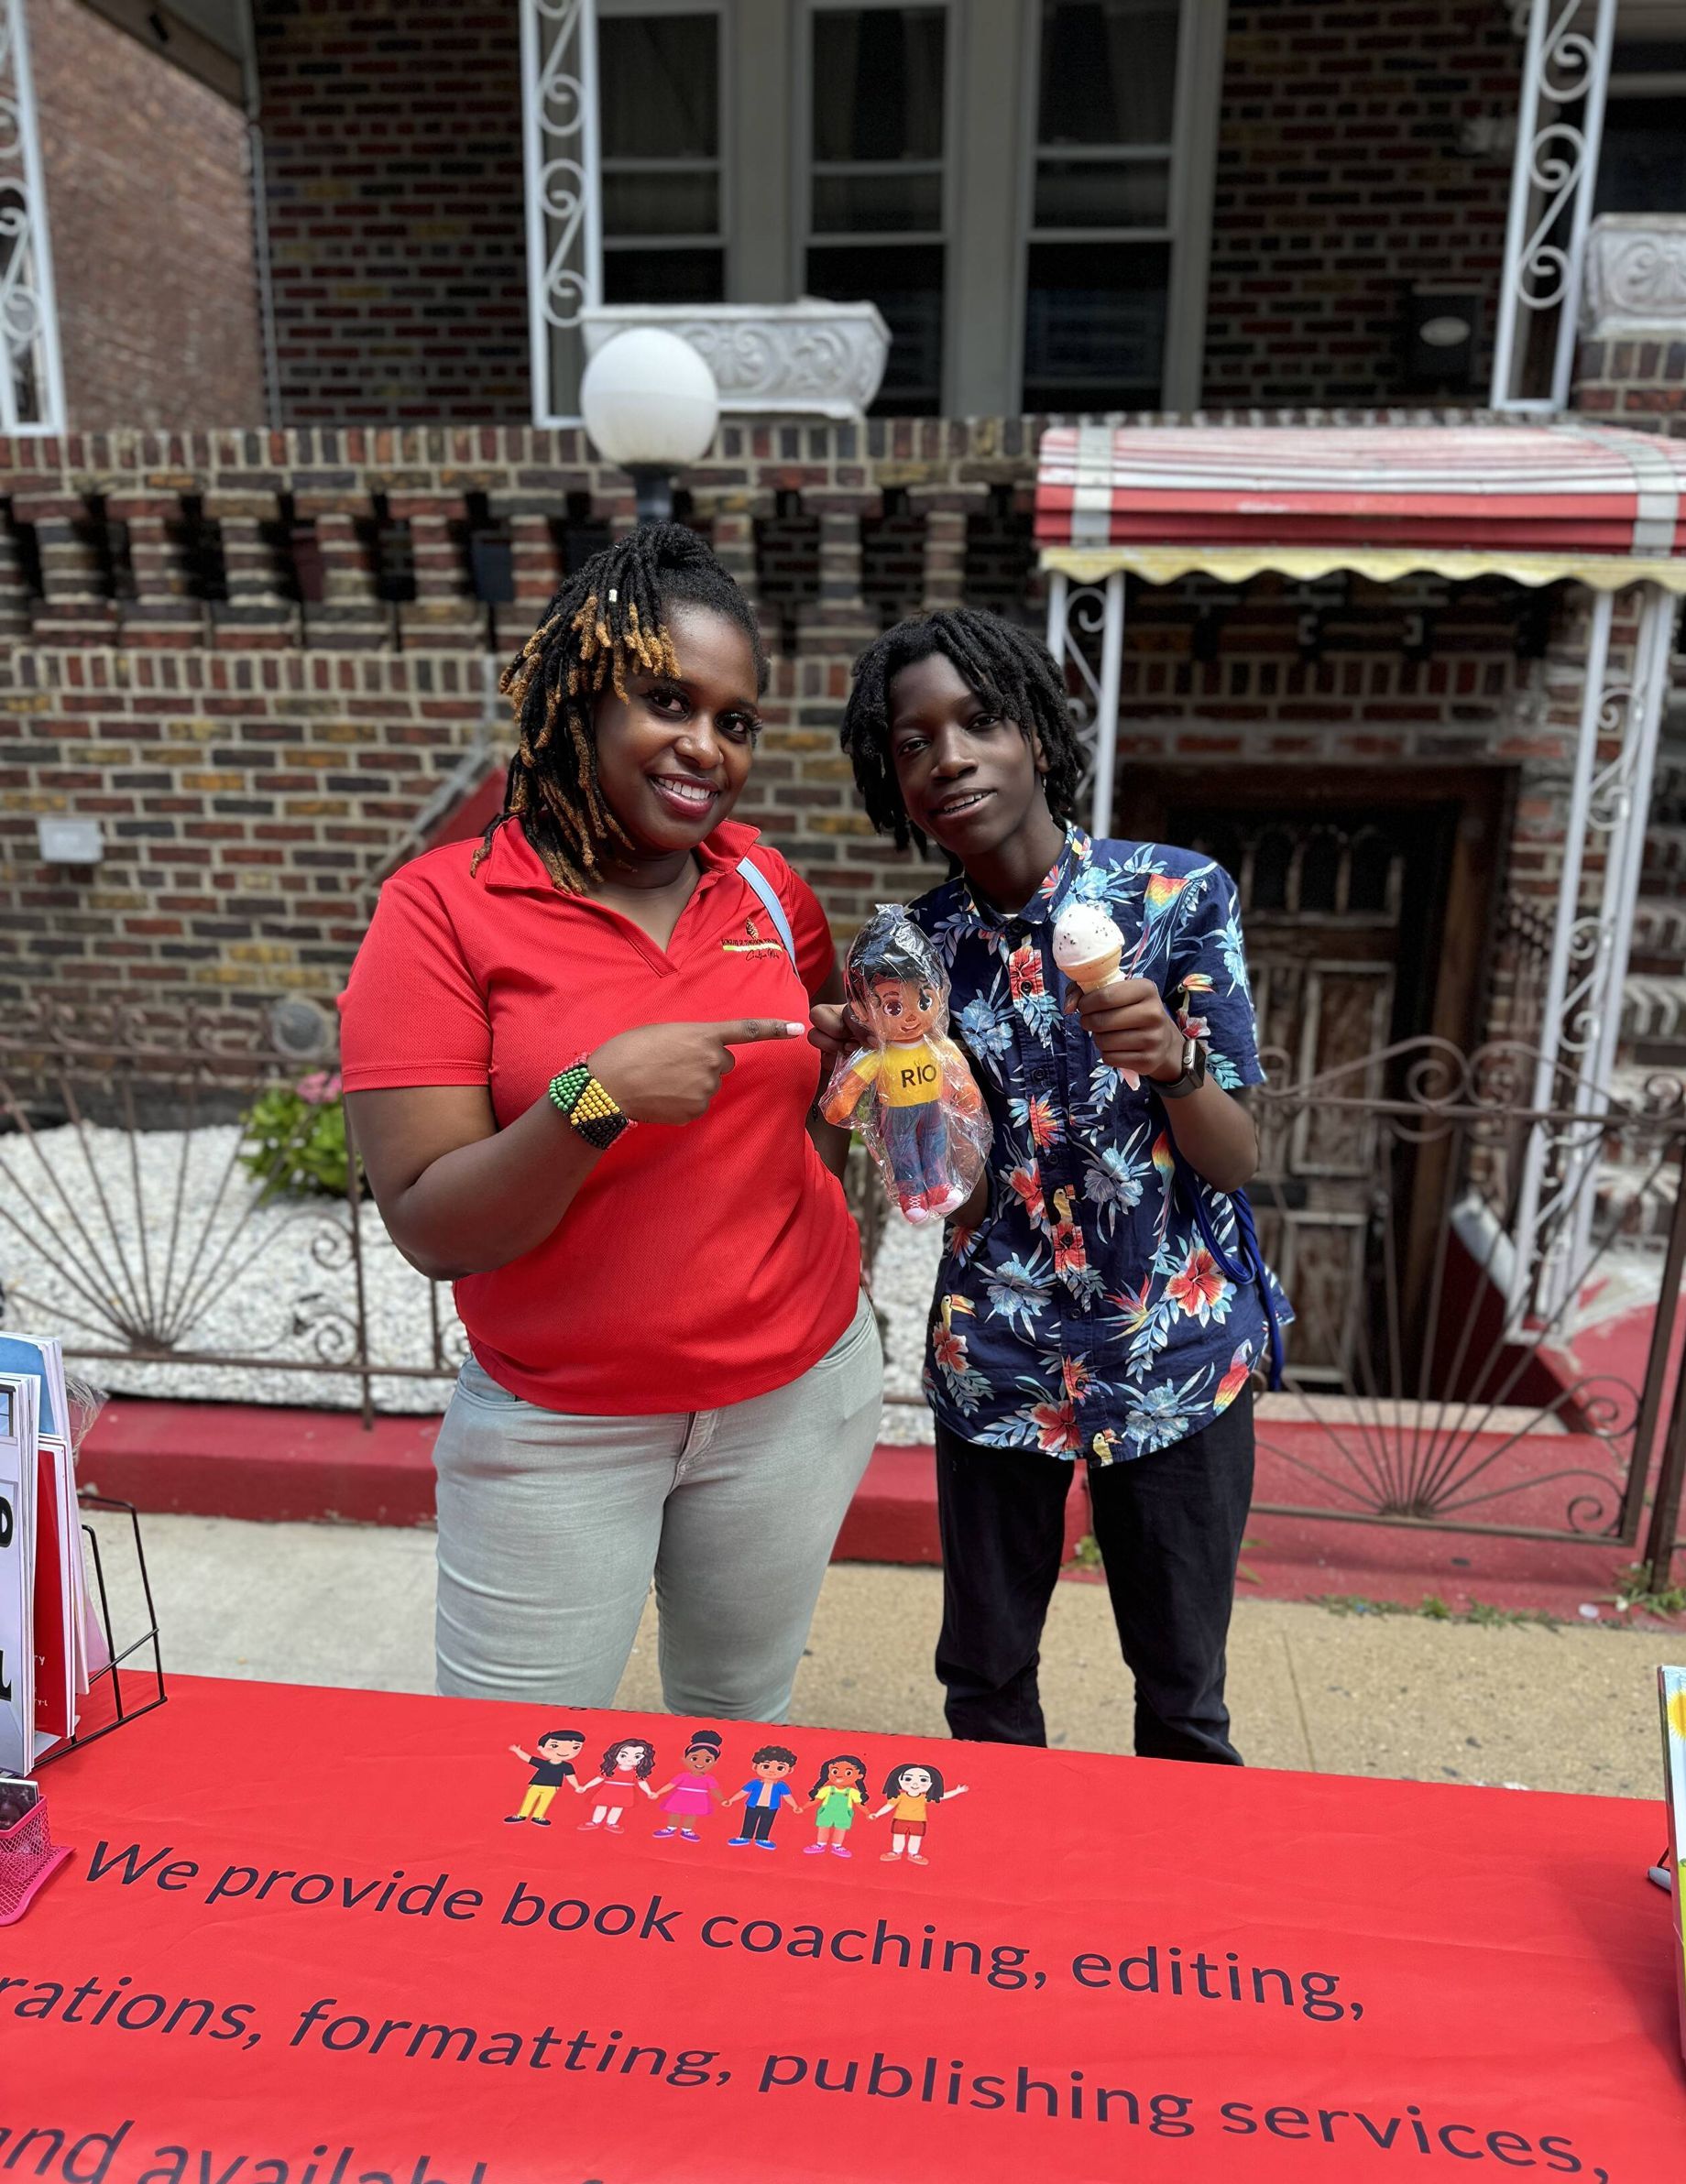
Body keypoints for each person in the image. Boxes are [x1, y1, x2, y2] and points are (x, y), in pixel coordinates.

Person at [340, 524, 883, 1720]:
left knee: (734, 1727)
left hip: (793, 1400)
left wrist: (830, 1161)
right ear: (579, 699)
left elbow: (815, 1074)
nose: (706, 746)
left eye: (734, 722)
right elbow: (434, 1226)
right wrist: (593, 1101)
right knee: (510, 1765)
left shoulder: (764, 887)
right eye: (666, 701)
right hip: (558, 1430)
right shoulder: (439, 914)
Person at [824, 608, 1291, 1764]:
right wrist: (912, 1108)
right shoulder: (906, 956)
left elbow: (1237, 1160)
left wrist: (1172, 1061)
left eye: (980, 720)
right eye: (914, 740)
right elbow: (954, 1205)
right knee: (983, 1686)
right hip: (999, 1354)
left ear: (1036, 733)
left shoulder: (1175, 899)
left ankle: (1175, 1941)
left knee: (1183, 1697)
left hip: (1174, 1354)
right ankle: (999, 1929)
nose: (950, 757)